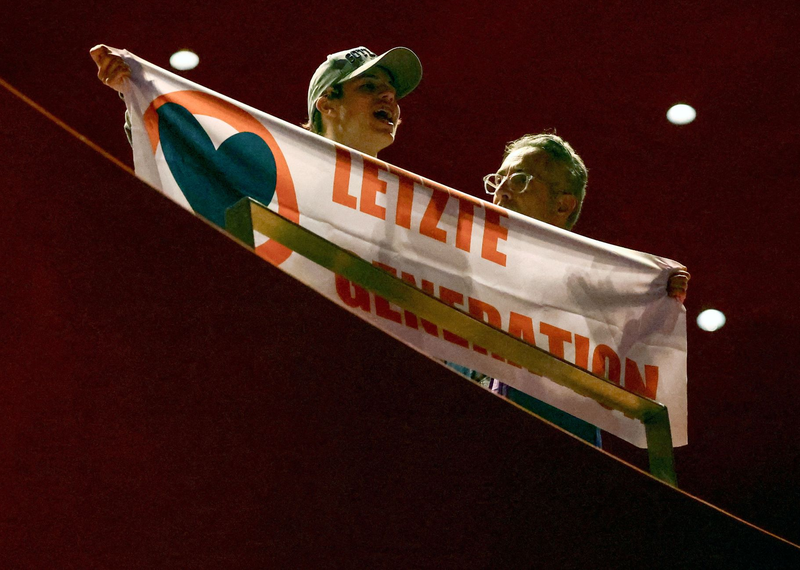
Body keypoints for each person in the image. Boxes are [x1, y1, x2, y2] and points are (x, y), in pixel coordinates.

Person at [474, 133, 689, 445]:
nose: (501, 191)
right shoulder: (457, 267)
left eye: (520, 179)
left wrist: (655, 295)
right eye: (498, 179)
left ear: (562, 205)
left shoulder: (597, 289)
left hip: (554, 456)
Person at [90, 44, 422, 160]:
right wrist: (132, 91)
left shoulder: (415, 206)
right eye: (368, 86)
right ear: (327, 105)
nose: (389, 96)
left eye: (391, 91)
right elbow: (190, 159)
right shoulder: (279, 168)